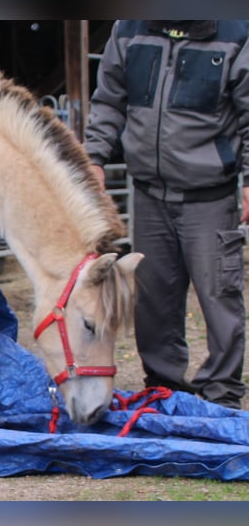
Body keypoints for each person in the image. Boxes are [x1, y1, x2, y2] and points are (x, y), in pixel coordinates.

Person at [84, 20, 249, 409]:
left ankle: (221, 395)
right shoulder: (129, 29)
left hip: (209, 194)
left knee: (219, 295)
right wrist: (93, 157)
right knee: (154, 299)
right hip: (148, 194)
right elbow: (109, 99)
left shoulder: (235, 34)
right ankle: (163, 389)